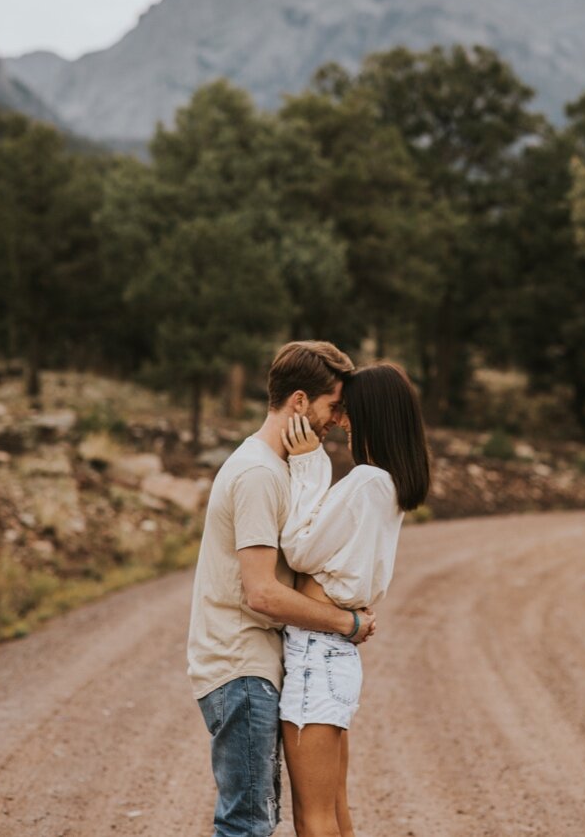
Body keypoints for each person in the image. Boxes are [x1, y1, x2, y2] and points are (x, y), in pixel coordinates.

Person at [187, 341, 376, 837]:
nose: (337, 419)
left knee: (254, 821)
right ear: (299, 402)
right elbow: (262, 594)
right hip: (240, 667)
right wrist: (347, 623)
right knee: (246, 825)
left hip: (256, 667)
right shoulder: (257, 475)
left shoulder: (281, 468)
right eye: (333, 406)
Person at [276, 362, 431, 837]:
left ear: (372, 414)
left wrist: (306, 464)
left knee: (314, 815)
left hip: (315, 654)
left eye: (349, 411)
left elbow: (299, 548)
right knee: (336, 809)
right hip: (334, 654)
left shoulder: (367, 481)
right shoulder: (389, 485)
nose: (341, 421)